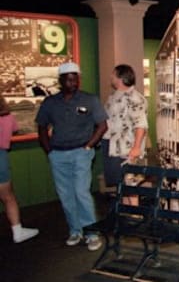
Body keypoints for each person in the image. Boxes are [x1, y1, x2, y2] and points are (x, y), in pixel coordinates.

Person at [36, 62, 108, 251]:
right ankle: (75, 230)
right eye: (68, 79)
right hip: (58, 155)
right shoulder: (50, 102)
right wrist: (49, 151)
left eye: (75, 78)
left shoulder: (90, 100)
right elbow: (41, 127)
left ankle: (91, 233)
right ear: (60, 80)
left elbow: (102, 125)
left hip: (81, 153)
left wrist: (88, 146)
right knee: (65, 195)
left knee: (80, 192)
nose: (72, 82)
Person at [102, 64, 148, 196]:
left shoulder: (134, 98)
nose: (111, 77)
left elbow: (140, 124)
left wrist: (136, 148)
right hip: (113, 149)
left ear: (120, 77)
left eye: (113, 74)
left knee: (131, 187)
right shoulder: (114, 96)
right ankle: (126, 214)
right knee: (121, 187)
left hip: (126, 150)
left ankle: (133, 215)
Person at [0, 94, 39, 243]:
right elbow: (15, 130)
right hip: (1, 157)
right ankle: (17, 231)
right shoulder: (8, 117)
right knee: (8, 197)